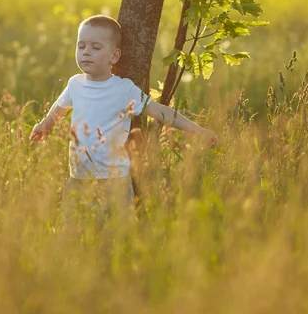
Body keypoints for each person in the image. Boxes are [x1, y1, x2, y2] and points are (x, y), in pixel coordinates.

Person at [30, 15, 217, 217]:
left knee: (115, 233)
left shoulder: (124, 89)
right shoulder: (75, 84)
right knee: (72, 227)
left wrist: (198, 130)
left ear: (114, 56)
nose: (86, 52)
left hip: (114, 180)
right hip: (78, 178)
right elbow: (59, 109)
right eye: (81, 46)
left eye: (95, 47)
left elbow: (159, 111)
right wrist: (45, 125)